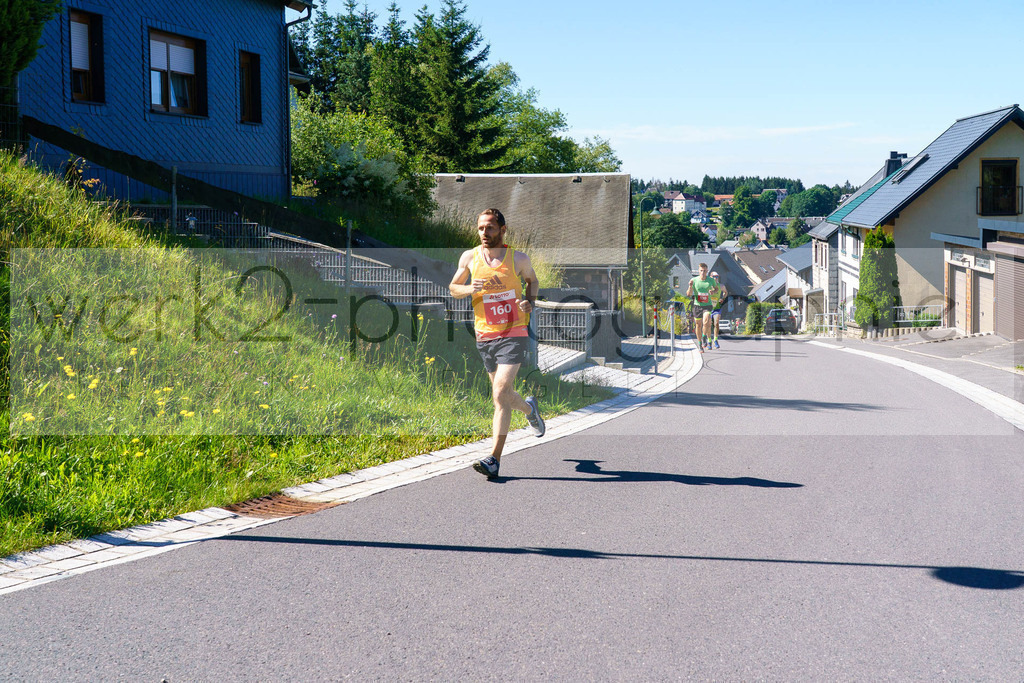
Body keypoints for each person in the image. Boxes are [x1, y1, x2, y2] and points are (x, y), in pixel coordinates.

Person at [449, 208, 546, 479]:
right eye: (480, 228)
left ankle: (494, 459)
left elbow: (533, 280)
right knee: (502, 396)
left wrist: (531, 301)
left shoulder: (518, 259)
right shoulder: (470, 257)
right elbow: (453, 288)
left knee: (500, 392)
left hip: (514, 332)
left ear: (503, 230)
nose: (484, 233)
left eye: (490, 227)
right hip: (484, 335)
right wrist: (472, 289)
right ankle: (529, 409)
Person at [685, 262, 719, 352]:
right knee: (698, 325)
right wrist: (690, 286)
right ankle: (700, 344)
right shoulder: (694, 280)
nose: (703, 273)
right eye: (701, 271)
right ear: (698, 271)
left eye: (704, 271)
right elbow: (688, 294)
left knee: (706, 320)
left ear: (707, 271)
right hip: (697, 305)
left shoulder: (710, 280)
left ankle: (704, 337)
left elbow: (716, 289)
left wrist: (713, 291)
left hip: (707, 305)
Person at [709, 270, 728, 349]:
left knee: (716, 323)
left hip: (717, 307)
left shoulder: (721, 286)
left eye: (717, 277)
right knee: (708, 325)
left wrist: (722, 298)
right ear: (711, 277)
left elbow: (726, 292)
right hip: (708, 307)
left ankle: (715, 339)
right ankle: (709, 340)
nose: (716, 278)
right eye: (714, 277)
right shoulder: (708, 286)